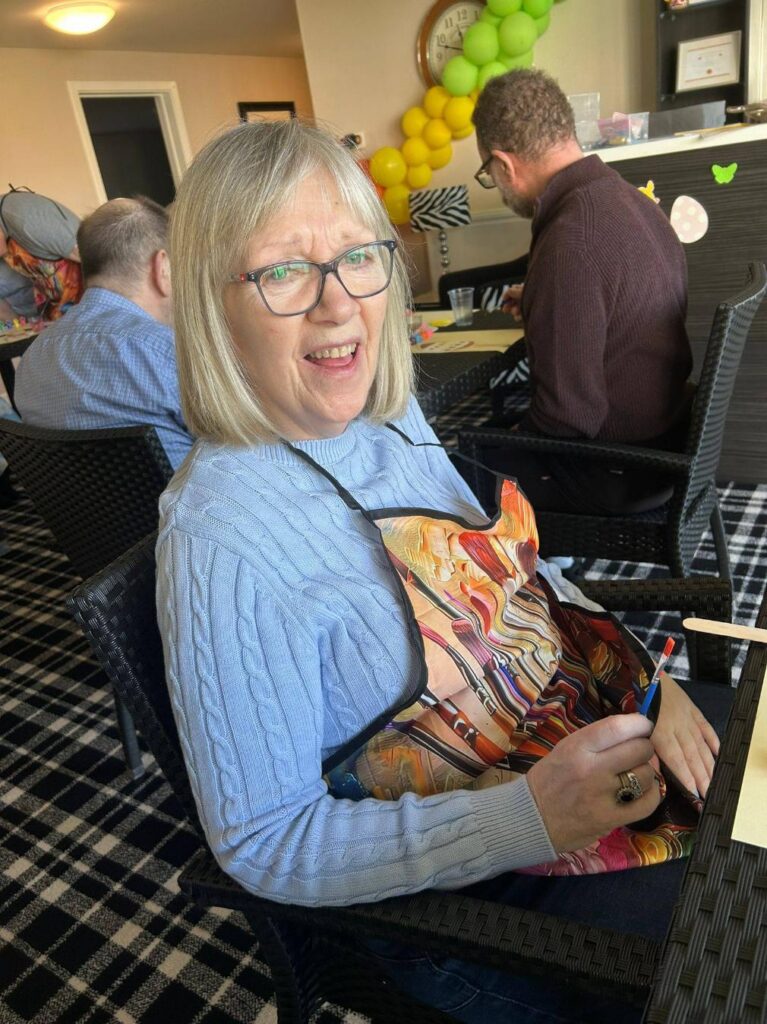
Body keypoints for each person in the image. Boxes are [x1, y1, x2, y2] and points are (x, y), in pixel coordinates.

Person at [157, 119, 720, 1024]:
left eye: (357, 257)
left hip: (577, 732)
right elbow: (262, 844)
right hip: (474, 900)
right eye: (283, 270)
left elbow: (521, 574)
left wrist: (649, 683)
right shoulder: (220, 538)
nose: (338, 305)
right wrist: (528, 816)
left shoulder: (389, 424)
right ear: (210, 302)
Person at [471, 69, 694, 516]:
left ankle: (541, 566)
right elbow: (614, 300)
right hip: (668, 437)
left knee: (459, 464)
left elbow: (568, 418)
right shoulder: (629, 200)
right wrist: (541, 297)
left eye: (488, 175)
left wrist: (512, 434)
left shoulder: (570, 240)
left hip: (619, 465)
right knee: (495, 437)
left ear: (504, 164)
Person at [15, 196, 193, 471]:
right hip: (187, 512)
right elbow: (245, 439)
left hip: (77, 513)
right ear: (163, 267)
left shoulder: (32, 357)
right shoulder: (166, 350)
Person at [0, 186, 84, 321]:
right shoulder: (6, 234)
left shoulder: (26, 218)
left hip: (85, 307)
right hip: (53, 314)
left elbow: (99, 258)